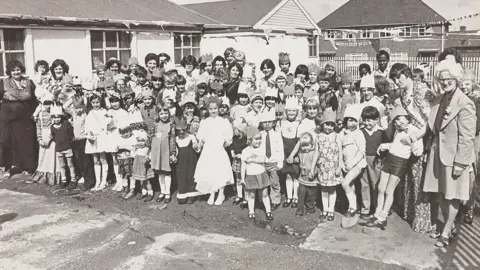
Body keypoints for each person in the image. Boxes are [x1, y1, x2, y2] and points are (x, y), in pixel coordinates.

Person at [407, 59, 476, 247]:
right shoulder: (440, 99)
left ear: (457, 79)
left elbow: (467, 137)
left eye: (449, 79)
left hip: (455, 158)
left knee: (452, 195)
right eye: (442, 79)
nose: (445, 82)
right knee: (441, 193)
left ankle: (446, 231)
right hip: (438, 154)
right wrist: (414, 136)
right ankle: (450, 225)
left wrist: (461, 163)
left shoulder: (465, 103)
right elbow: (430, 125)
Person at [389, 63, 437, 233]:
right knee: (413, 178)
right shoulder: (403, 94)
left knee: (423, 180)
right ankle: (412, 215)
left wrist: (418, 135)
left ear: (407, 74)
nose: (396, 81)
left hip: (425, 138)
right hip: (412, 137)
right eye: (393, 78)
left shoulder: (422, 90)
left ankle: (425, 220)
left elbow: (433, 119)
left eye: (398, 77)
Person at [366, 105, 423, 229]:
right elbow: (396, 145)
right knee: (380, 188)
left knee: (388, 190)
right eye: (395, 120)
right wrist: (385, 145)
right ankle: (377, 214)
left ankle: (383, 218)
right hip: (390, 159)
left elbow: (418, 151)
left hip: (400, 162)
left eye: (399, 119)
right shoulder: (397, 130)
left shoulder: (414, 131)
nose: (397, 122)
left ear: (407, 118)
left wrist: (411, 141)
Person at [0, 60, 38, 179]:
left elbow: (33, 99)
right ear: (10, 72)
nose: (16, 72)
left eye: (18, 69)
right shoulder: (3, 82)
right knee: (5, 141)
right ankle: (6, 168)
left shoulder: (29, 82)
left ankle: (28, 167)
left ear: (21, 70)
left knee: (25, 142)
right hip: (7, 118)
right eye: (13, 70)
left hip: (24, 118)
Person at [194, 97, 234, 205]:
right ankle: (212, 193)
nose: (213, 111)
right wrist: (202, 143)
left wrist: (223, 145)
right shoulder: (205, 122)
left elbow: (228, 137)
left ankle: (221, 194)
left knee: (220, 171)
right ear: (208, 109)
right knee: (210, 171)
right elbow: (201, 136)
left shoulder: (223, 121)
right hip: (208, 150)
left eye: (215, 108)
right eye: (211, 109)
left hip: (219, 150)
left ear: (218, 108)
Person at [459, 69, 480, 224]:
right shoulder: (459, 97)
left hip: (473, 138)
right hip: (461, 138)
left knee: (471, 173)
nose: (464, 86)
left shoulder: (476, 100)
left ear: (473, 84)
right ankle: (461, 204)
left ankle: (470, 208)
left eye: (467, 83)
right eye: (462, 83)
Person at [241, 125, 274, 221]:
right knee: (251, 194)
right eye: (256, 139)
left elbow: (262, 160)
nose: (259, 141)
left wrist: (251, 160)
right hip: (251, 175)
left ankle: (268, 211)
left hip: (261, 174)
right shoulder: (245, 151)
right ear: (249, 140)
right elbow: (243, 165)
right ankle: (251, 211)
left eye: (260, 139)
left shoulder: (261, 148)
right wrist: (243, 179)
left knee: (264, 194)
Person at [359, 106, 387, 219]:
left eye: (369, 120)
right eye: (364, 120)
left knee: (376, 184)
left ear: (376, 120)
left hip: (376, 161)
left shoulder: (381, 132)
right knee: (364, 184)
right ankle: (366, 207)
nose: (366, 123)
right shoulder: (360, 132)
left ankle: (377, 208)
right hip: (363, 159)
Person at [339, 104, 366, 220]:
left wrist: (351, 164)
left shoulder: (359, 134)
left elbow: (361, 152)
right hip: (346, 164)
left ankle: (353, 207)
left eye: (355, 121)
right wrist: (341, 164)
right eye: (350, 121)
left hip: (357, 164)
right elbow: (339, 149)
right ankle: (353, 206)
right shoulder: (342, 134)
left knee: (344, 183)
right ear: (346, 121)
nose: (353, 124)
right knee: (350, 185)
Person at [316, 109, 343, 221]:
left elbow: (340, 152)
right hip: (323, 167)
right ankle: (325, 209)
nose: (329, 127)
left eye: (332, 125)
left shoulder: (336, 136)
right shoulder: (319, 136)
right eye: (327, 124)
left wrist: (339, 166)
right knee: (324, 189)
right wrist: (314, 167)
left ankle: (331, 210)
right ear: (322, 125)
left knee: (332, 189)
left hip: (333, 167)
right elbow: (316, 152)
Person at [31, 94, 61, 185]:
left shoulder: (55, 114)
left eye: (50, 103)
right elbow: (38, 127)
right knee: (43, 156)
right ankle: (43, 175)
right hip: (43, 137)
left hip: (52, 138)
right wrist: (39, 139)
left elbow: (55, 128)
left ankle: (54, 176)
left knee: (53, 156)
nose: (48, 106)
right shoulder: (39, 114)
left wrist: (50, 139)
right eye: (46, 104)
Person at [150, 107, 176, 203]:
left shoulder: (171, 125)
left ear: (169, 114)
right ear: (158, 115)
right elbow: (151, 138)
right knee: (160, 173)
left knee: (167, 172)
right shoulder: (155, 124)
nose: (164, 115)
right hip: (157, 151)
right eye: (161, 114)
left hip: (166, 151)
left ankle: (168, 193)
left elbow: (172, 139)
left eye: (166, 113)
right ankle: (162, 191)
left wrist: (172, 153)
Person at [278, 96, 301, 208]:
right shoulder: (281, 123)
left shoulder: (299, 124)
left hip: (295, 152)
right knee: (287, 175)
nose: (291, 113)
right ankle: (289, 197)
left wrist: (295, 155)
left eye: (293, 111)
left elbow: (299, 141)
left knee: (295, 175)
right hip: (284, 152)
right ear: (286, 112)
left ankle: (295, 197)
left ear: (297, 112)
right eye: (289, 111)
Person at [260, 109, 284, 211]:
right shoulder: (260, 134)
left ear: (273, 123)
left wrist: (280, 161)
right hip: (263, 162)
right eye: (265, 122)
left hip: (273, 162)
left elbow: (280, 148)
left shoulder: (277, 134)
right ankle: (263, 199)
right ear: (261, 124)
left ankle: (275, 200)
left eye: (269, 122)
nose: (267, 124)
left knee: (274, 182)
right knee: (263, 182)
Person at [84, 93, 109, 191]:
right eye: (93, 103)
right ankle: (98, 181)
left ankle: (104, 181)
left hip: (101, 137)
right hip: (92, 138)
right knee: (95, 160)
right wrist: (89, 133)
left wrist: (101, 132)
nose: (96, 104)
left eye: (97, 102)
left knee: (103, 158)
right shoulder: (89, 113)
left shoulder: (104, 111)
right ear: (91, 103)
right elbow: (87, 125)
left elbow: (106, 124)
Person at [174, 116, 200, 204]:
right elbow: (175, 150)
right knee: (181, 176)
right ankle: (182, 194)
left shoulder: (191, 137)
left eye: (183, 132)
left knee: (190, 176)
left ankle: (191, 195)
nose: (181, 134)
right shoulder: (176, 139)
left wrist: (196, 146)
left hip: (191, 160)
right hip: (181, 161)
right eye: (179, 132)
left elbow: (197, 148)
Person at [50, 105, 76, 188]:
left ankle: (73, 179)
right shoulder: (52, 127)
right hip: (59, 148)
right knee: (62, 165)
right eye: (55, 118)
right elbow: (54, 137)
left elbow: (71, 134)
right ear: (52, 118)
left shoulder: (66, 124)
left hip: (67, 147)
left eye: (58, 117)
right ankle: (64, 180)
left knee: (70, 164)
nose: (57, 119)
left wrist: (69, 143)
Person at [295, 132, 319, 217]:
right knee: (301, 194)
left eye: (307, 145)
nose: (305, 148)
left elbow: (317, 165)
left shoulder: (314, 153)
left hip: (311, 179)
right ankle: (299, 210)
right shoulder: (301, 152)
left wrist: (314, 172)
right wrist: (297, 159)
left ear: (312, 144)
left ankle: (310, 208)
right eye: (303, 146)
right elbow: (300, 160)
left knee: (311, 195)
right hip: (302, 177)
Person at [132, 133, 155, 202]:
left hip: (145, 167)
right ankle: (144, 192)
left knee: (147, 181)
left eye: (142, 141)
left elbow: (151, 157)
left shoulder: (147, 149)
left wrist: (148, 159)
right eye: (139, 141)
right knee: (141, 180)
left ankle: (150, 193)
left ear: (146, 141)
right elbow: (133, 156)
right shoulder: (136, 149)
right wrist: (133, 150)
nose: (141, 143)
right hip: (138, 167)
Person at [231, 118, 248, 207]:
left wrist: (241, 155)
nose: (234, 131)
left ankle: (246, 197)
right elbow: (232, 146)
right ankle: (239, 195)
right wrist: (232, 152)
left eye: (235, 129)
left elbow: (247, 150)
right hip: (236, 161)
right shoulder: (234, 138)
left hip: (243, 161)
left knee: (244, 179)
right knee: (237, 178)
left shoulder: (246, 139)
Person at [118, 127, 137, 200]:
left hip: (130, 160)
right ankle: (125, 188)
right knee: (123, 174)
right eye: (123, 133)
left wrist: (131, 152)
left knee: (131, 175)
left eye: (127, 132)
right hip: (122, 160)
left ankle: (132, 190)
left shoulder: (133, 138)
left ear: (130, 131)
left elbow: (134, 149)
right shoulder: (120, 139)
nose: (125, 134)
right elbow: (117, 149)